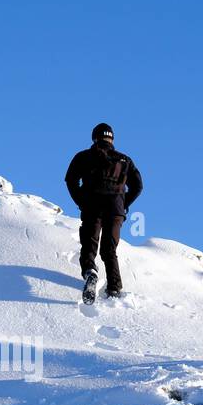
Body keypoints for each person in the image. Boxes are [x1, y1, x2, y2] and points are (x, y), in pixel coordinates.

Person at [64, 123, 143, 303]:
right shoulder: (125, 160)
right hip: (115, 210)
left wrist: (81, 201)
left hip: (92, 206)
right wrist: (123, 203)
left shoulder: (83, 156)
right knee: (109, 250)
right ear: (112, 139)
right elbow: (138, 186)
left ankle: (90, 271)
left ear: (94, 138)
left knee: (90, 245)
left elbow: (70, 180)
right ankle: (114, 289)